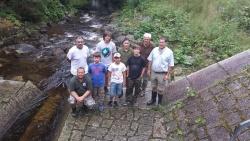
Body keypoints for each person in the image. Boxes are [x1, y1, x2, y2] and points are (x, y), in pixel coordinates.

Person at [147, 37, 174, 105]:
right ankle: (152, 100)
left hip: (162, 73)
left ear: (166, 43)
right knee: (153, 87)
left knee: (160, 89)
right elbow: (150, 60)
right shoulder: (154, 49)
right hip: (153, 72)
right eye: (160, 42)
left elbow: (171, 65)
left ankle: (159, 103)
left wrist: (167, 75)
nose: (161, 43)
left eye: (162, 42)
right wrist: (148, 70)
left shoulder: (169, 52)